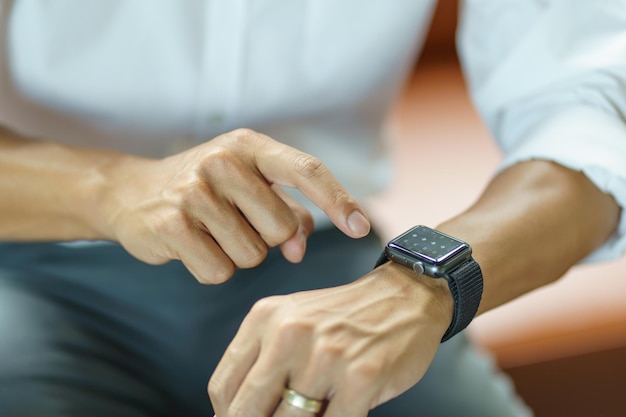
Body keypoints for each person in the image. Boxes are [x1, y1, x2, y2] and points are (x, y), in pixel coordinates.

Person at [0, 1, 624, 416]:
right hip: (28, 265)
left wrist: (421, 288)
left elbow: (590, 124)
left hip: (335, 270)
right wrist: (111, 188)